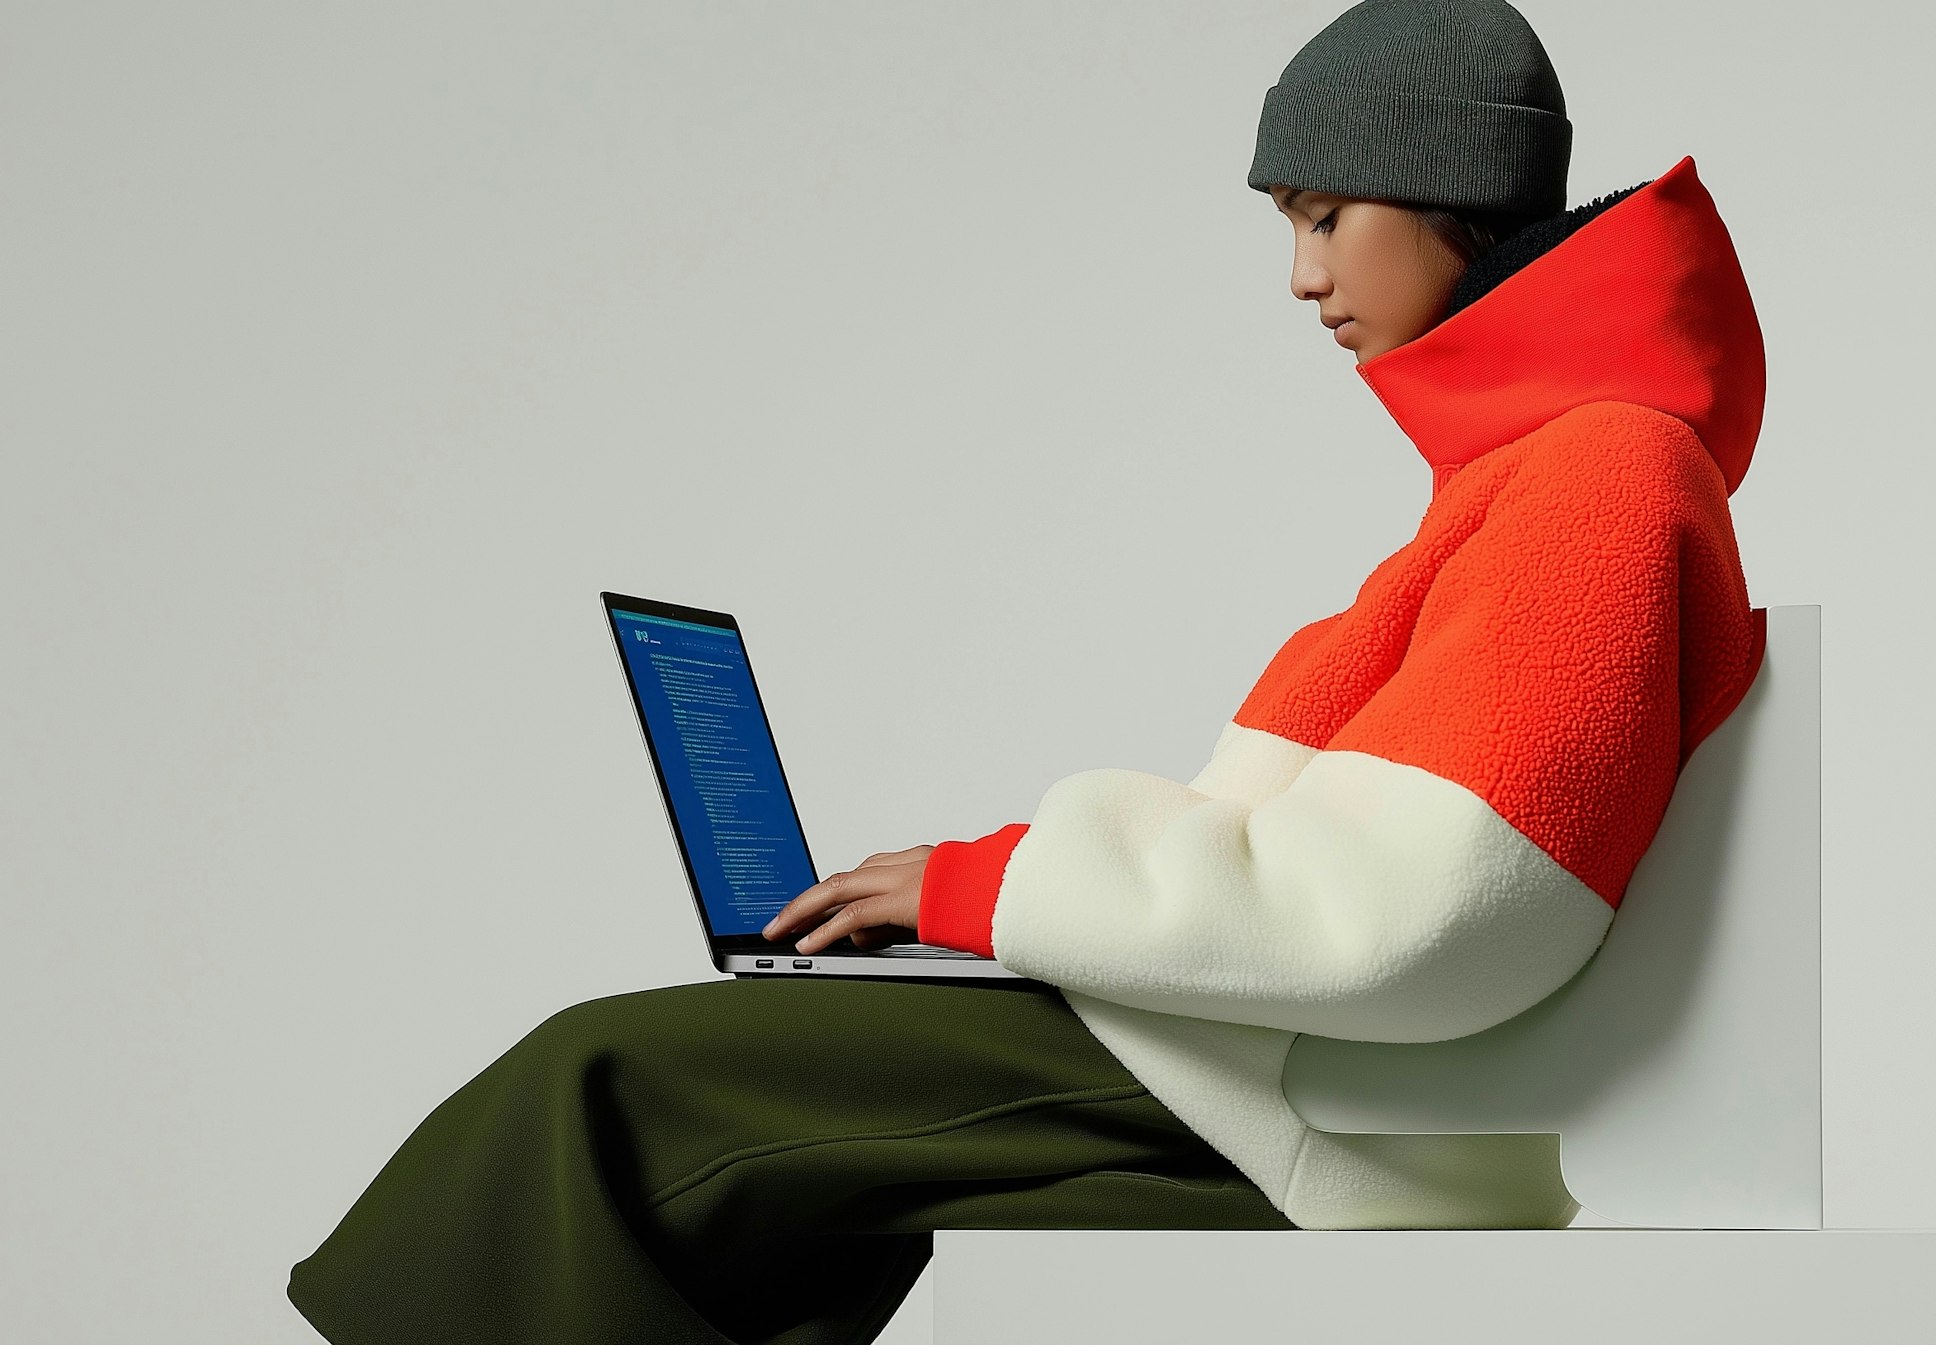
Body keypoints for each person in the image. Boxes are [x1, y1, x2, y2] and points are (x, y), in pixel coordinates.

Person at [283, 2, 1768, 1342]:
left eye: (1325, 217)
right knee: (767, 1183)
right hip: (1261, 1066)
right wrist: (989, 903)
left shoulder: (1598, 480)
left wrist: (983, 888)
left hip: (1292, 1107)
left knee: (599, 1090)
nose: (1303, 278)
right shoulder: (1535, 473)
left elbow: (1418, 914)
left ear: (1448, 197)